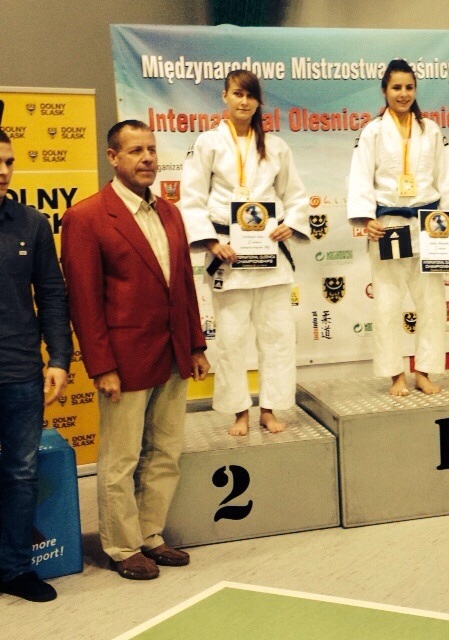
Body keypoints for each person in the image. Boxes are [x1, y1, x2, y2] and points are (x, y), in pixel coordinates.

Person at [61, 120, 210, 580]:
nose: (147, 158)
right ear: (113, 157)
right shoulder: (86, 217)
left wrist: (196, 344)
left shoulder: (170, 213)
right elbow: (84, 302)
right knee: (121, 458)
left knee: (165, 451)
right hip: (123, 362)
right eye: (135, 151)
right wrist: (101, 366)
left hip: (173, 353)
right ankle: (122, 546)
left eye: (151, 149)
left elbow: (183, 284)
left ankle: (150, 534)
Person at [181, 70, 310, 436]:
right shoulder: (208, 143)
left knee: (277, 337)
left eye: (251, 95)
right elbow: (192, 198)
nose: (244, 101)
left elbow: (295, 195)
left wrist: (291, 223)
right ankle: (239, 410)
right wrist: (211, 243)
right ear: (224, 96)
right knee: (231, 340)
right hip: (229, 253)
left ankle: (269, 408)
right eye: (238, 94)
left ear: (258, 102)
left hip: (269, 253)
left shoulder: (276, 147)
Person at [347, 59, 449, 396]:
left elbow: (448, 175)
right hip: (389, 225)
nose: (403, 94)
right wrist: (365, 218)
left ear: (415, 90)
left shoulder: (430, 130)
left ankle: (425, 371)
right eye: (396, 88)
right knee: (387, 303)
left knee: (432, 303)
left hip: (429, 226)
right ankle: (395, 375)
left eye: (409, 87)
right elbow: (361, 177)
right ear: (384, 91)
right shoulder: (373, 132)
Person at [0, 130, 71, 602]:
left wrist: (59, 358)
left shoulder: (32, 223)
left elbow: (51, 294)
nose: (3, 171)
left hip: (20, 373)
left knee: (21, 473)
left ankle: (14, 570)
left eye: (9, 162)